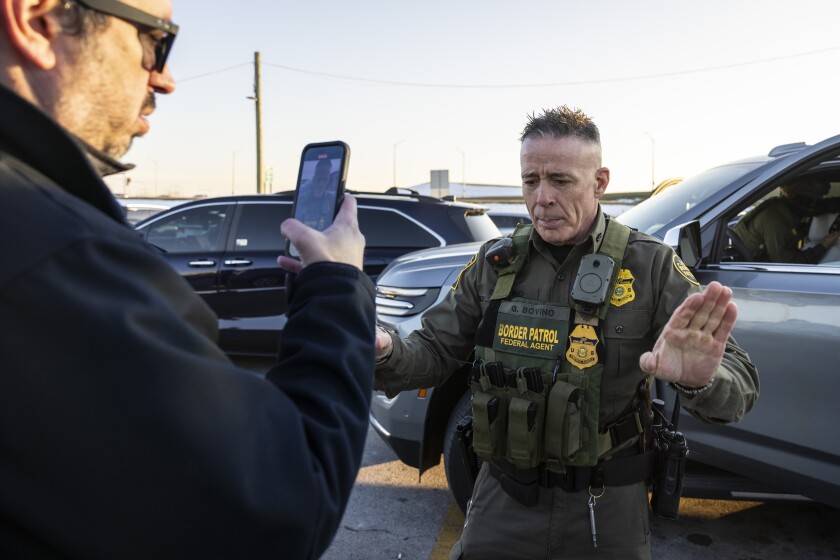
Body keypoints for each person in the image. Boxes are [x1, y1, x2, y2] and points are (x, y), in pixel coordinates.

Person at [0, 1, 374, 558]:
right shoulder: (57, 252)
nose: (166, 79)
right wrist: (339, 284)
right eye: (156, 40)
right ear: (37, 19)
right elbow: (286, 504)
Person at [374, 106, 759, 559]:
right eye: (530, 181)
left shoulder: (649, 265)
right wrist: (382, 350)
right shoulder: (494, 264)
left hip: (605, 508)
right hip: (502, 500)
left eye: (560, 180)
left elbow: (740, 384)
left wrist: (702, 380)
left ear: (600, 182)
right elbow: (434, 350)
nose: (542, 199)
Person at [732, 178, 840, 263]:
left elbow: (824, 206)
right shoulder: (774, 220)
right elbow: (789, 266)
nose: (816, 203)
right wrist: (823, 245)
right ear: (801, 198)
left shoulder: (793, 207)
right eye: (813, 199)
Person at [295, 158, 340, 229]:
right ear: (314, 177)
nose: (321, 184)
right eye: (319, 178)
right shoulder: (301, 200)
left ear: (328, 180)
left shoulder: (333, 201)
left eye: (325, 179)